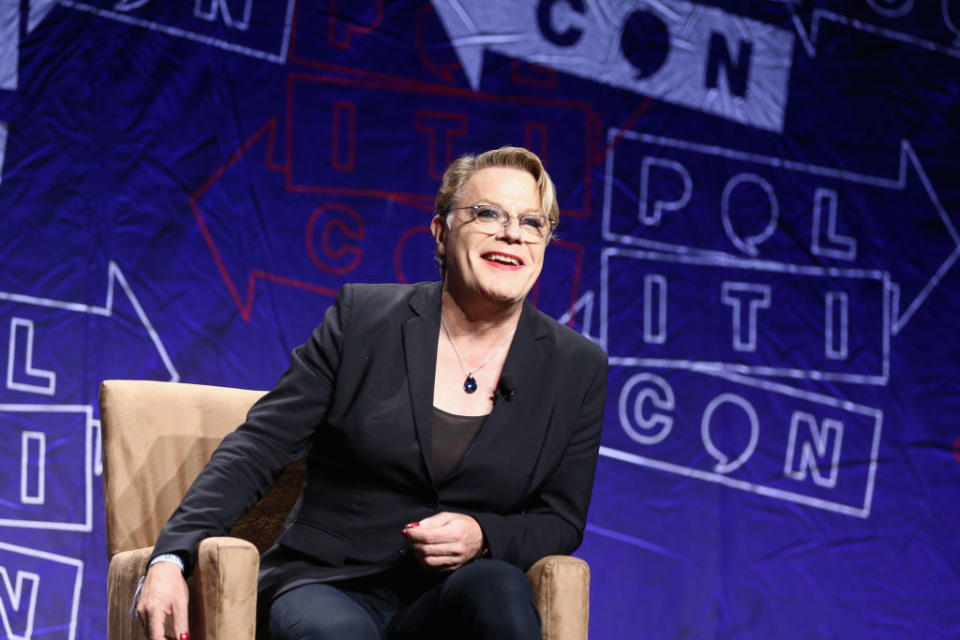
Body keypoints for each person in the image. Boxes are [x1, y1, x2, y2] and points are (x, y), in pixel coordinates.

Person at [135, 146, 608, 639]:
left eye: (533, 222)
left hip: (450, 595)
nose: (512, 233)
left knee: (499, 591)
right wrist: (172, 555)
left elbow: (561, 520)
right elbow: (260, 446)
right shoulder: (363, 320)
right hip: (328, 582)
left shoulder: (576, 366)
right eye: (488, 213)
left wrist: (485, 536)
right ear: (442, 232)